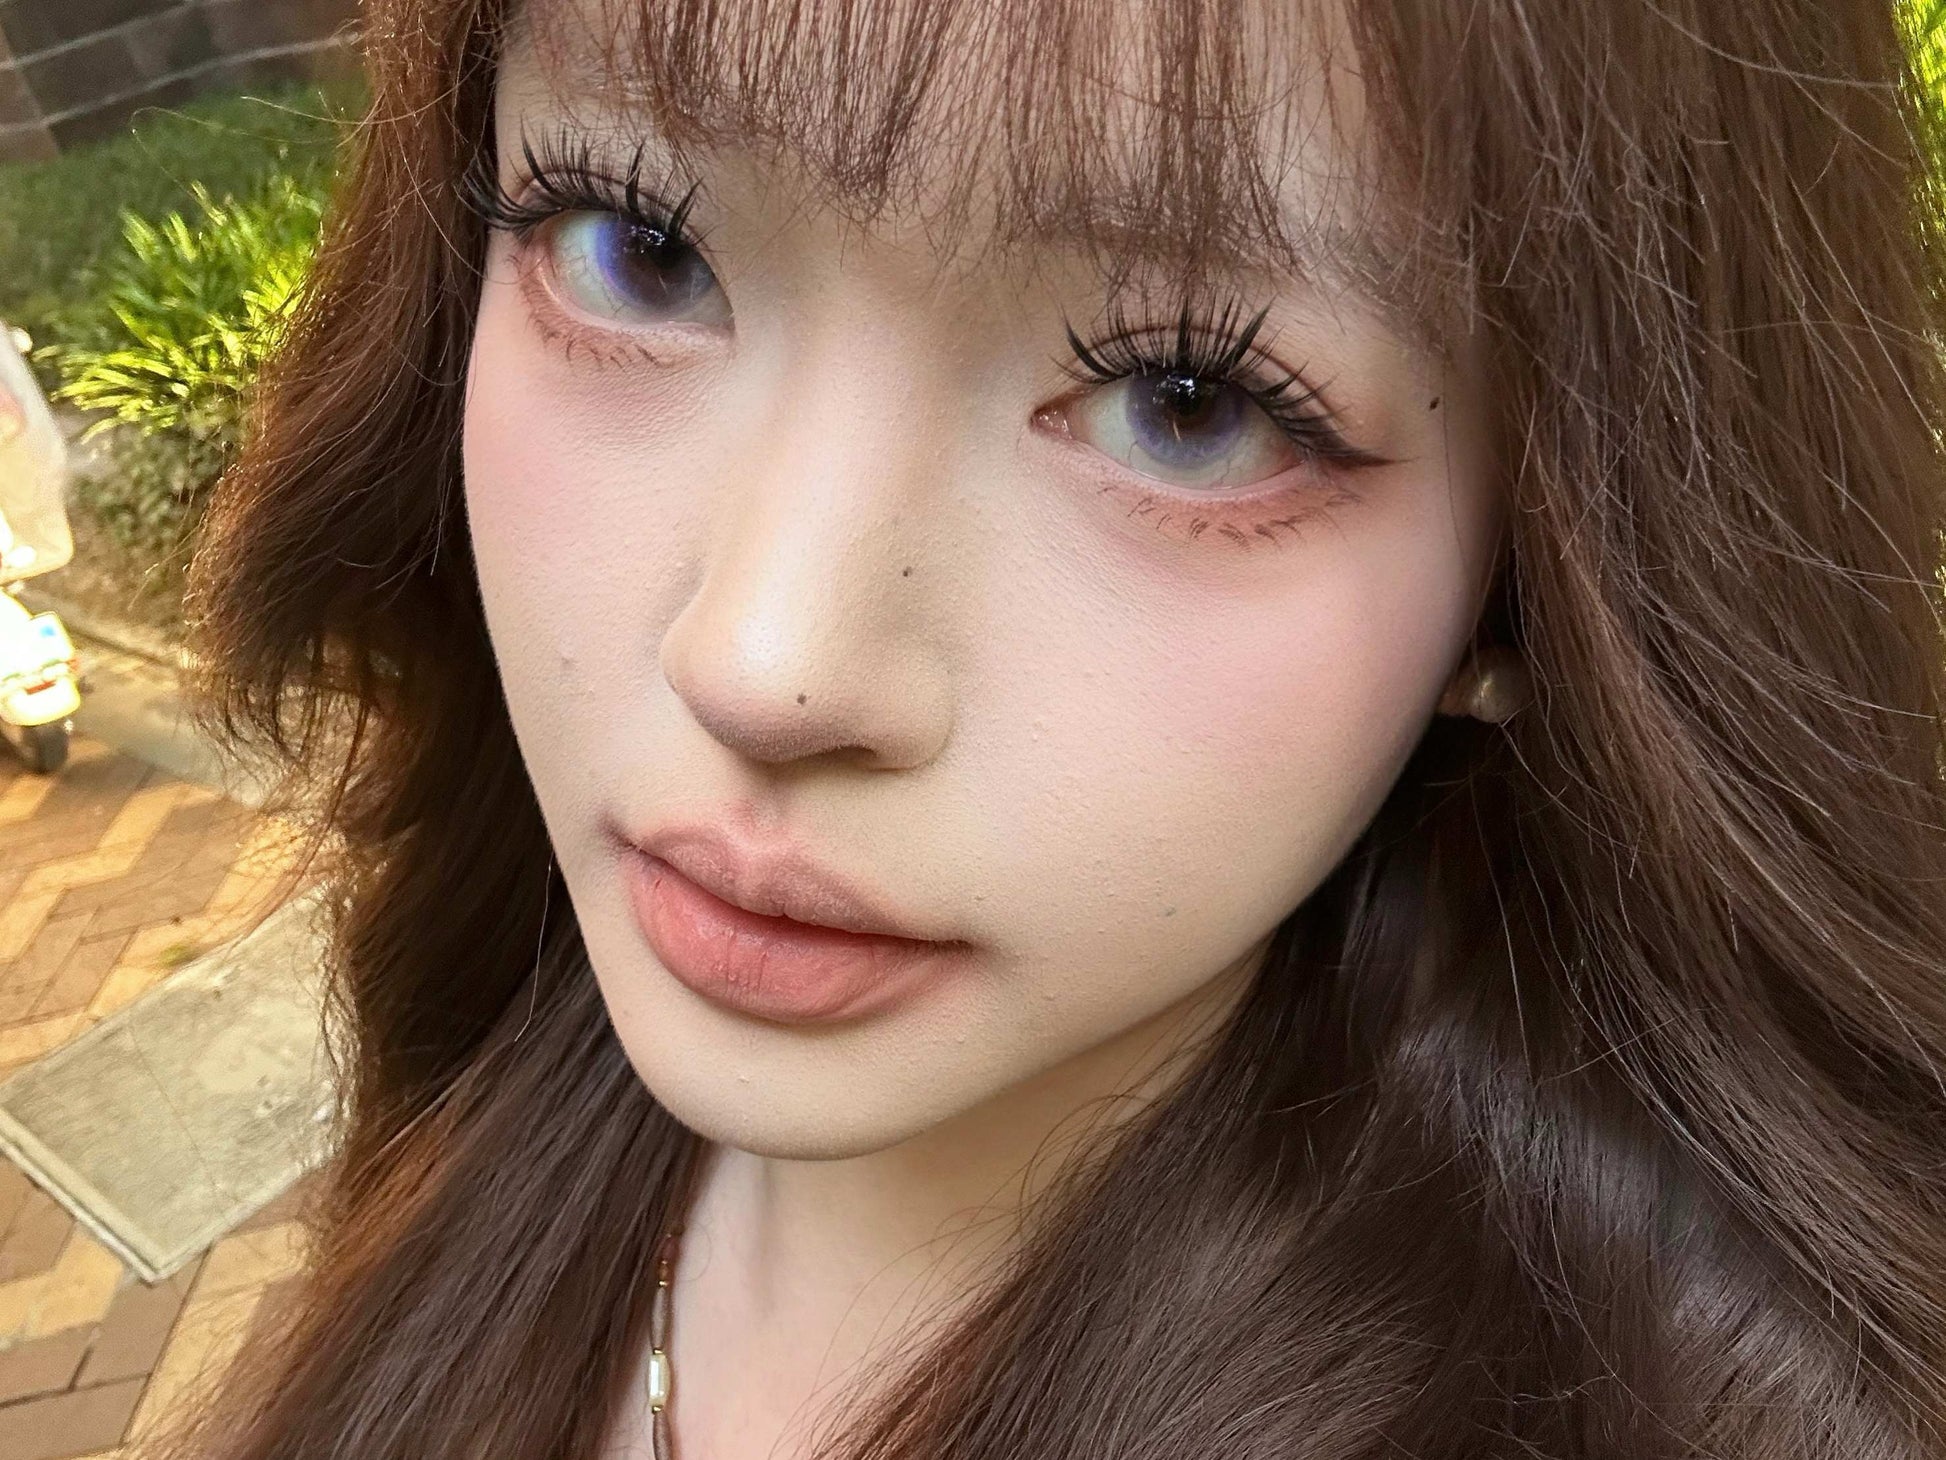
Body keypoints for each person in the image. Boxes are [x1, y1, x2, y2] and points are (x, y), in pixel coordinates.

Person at [156, 0, 1946, 1457]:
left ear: (1536, 582)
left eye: (1189, 402)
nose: (765, 663)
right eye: (640, 247)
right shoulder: (508, 1032)